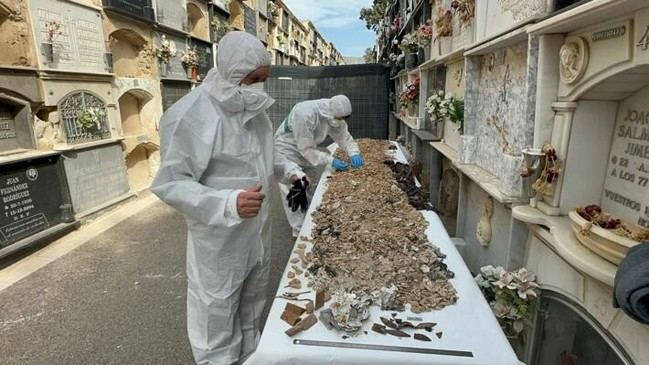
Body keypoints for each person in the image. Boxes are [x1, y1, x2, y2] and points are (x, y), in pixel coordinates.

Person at [151, 31, 274, 365]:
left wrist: (290, 170)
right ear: (233, 72)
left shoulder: (255, 111)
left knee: (252, 305)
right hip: (219, 241)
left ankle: (250, 357)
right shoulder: (190, 115)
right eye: (253, 79)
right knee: (216, 312)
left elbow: (267, 157)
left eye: (264, 80)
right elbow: (171, 183)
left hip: (256, 233)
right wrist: (227, 203)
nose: (259, 87)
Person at [274, 95, 364, 237]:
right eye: (340, 118)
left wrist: (354, 153)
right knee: (295, 189)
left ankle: (309, 220)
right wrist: (330, 160)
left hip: (306, 149)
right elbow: (305, 149)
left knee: (309, 185)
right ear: (332, 112)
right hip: (287, 149)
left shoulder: (334, 115)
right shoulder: (304, 113)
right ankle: (299, 232)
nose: (341, 121)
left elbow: (344, 137)